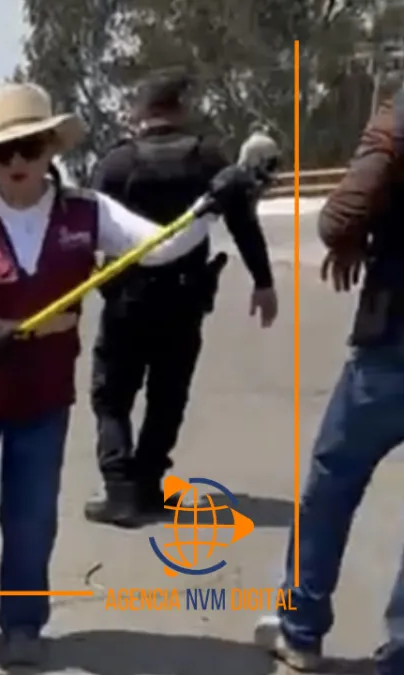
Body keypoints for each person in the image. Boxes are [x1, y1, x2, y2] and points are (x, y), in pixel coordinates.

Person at [0, 82, 254, 664]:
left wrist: (210, 207)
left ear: (51, 146)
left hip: (42, 396)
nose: (17, 163)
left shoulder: (87, 212)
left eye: (29, 147)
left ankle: (24, 622)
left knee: (29, 515)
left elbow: (161, 247)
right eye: (2, 154)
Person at [83, 69, 279, 527]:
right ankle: (149, 486)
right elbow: (243, 223)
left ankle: (120, 490)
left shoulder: (115, 165)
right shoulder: (208, 159)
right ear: (179, 109)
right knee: (168, 394)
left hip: (127, 301)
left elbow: (84, 229)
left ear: (141, 112)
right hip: (185, 299)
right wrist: (263, 281)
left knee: (112, 396)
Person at [254, 85, 404, 674]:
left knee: (332, 483)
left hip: (394, 341)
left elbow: (341, 213)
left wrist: (347, 241)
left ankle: (301, 628)